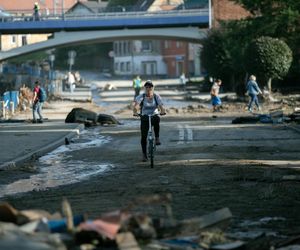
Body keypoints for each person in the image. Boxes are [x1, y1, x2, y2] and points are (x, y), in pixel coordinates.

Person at [133, 80, 166, 162]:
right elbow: (136, 106)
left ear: (153, 88)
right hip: (144, 116)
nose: (148, 89)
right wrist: (135, 112)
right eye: (147, 87)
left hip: (154, 115)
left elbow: (161, 106)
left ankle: (157, 138)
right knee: (143, 137)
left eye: (150, 87)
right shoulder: (141, 96)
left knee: (157, 118)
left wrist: (162, 111)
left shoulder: (156, 96)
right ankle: (144, 155)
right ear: (145, 88)